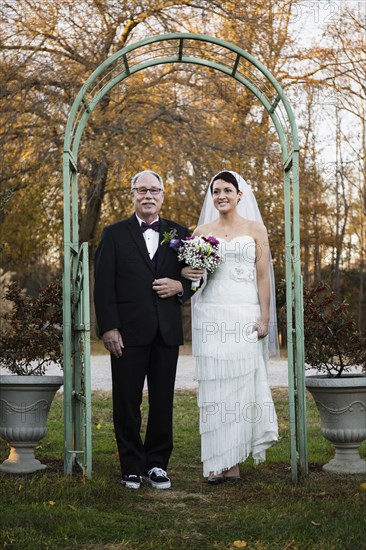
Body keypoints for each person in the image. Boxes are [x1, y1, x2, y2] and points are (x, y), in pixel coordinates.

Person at [94, 169, 192, 490]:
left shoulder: (179, 233)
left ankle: (157, 464)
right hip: (126, 333)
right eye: (142, 190)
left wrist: (179, 285)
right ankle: (132, 465)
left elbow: (195, 277)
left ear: (163, 196)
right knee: (126, 400)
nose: (148, 196)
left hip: (166, 332)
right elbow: (103, 285)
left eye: (154, 190)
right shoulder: (114, 234)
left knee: (163, 400)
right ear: (133, 195)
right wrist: (109, 327)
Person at [182, 170, 279, 483]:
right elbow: (189, 274)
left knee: (240, 389)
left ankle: (234, 459)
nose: (221, 196)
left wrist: (264, 318)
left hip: (245, 313)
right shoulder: (200, 231)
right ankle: (214, 460)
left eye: (227, 190)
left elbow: (263, 276)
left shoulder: (256, 230)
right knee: (214, 389)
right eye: (215, 191)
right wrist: (187, 269)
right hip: (211, 313)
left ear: (240, 194)